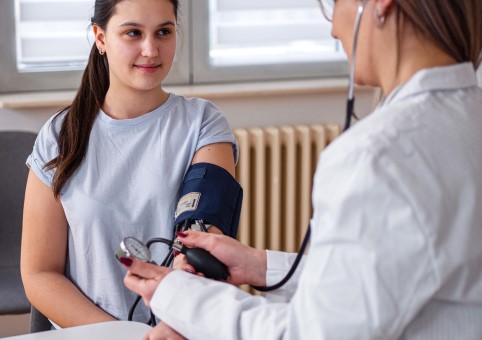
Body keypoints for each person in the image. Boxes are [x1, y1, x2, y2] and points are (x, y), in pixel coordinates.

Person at [122, 0, 482, 339]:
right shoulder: (465, 120)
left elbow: (311, 333)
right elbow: (390, 279)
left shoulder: (379, 155)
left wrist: (178, 295)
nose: (334, 30)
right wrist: (261, 266)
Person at [20, 0, 238, 329]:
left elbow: (204, 245)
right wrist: (122, 335)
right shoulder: (59, 136)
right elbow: (39, 274)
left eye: (163, 32)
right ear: (101, 37)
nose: (150, 50)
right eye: (133, 33)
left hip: (177, 330)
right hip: (89, 334)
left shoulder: (204, 125)